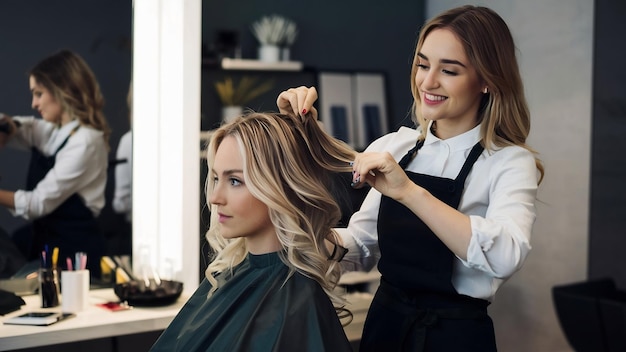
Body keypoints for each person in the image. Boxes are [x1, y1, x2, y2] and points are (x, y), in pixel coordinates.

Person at [277, 5, 545, 351]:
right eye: (422, 64)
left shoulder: (509, 162)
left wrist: (408, 191)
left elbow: (506, 255)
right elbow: (360, 246)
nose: (428, 82)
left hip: (455, 338)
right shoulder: (395, 146)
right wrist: (303, 235)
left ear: (487, 80)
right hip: (385, 327)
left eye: (449, 70)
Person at [150, 111, 355, 352]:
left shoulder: (297, 303)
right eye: (216, 178)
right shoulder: (228, 276)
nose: (215, 198)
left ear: (279, 187)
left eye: (235, 181)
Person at [0, 49, 110, 277]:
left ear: (63, 91)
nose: (34, 103)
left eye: (39, 94)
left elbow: (37, 203)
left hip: (75, 255)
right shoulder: (55, 131)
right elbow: (22, 127)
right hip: (50, 246)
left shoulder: (86, 141)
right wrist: (6, 126)